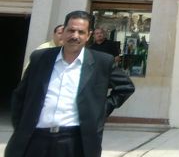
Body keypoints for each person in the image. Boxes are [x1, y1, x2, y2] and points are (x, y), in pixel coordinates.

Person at [6, 10, 135, 157]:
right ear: (63, 32)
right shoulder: (40, 58)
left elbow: (126, 87)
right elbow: (20, 95)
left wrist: (100, 110)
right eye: (71, 30)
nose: (75, 36)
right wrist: (20, 126)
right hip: (35, 140)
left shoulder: (102, 62)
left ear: (88, 35)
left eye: (81, 32)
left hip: (75, 142)